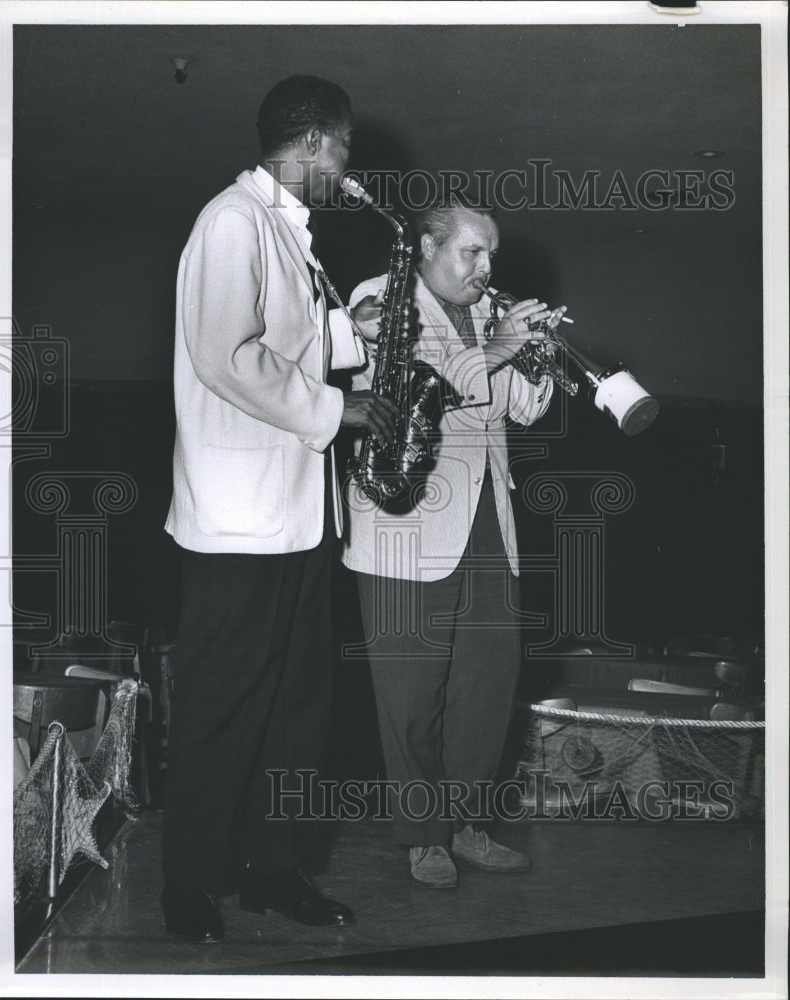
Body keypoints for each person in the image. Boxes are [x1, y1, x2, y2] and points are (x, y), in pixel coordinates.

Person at [160, 75, 396, 943]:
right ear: (313, 143)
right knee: (223, 708)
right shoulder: (231, 222)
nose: (348, 167)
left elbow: (284, 340)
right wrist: (342, 409)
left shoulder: (288, 234)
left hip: (298, 518)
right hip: (238, 521)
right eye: (343, 149)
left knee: (299, 713)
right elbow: (227, 355)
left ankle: (274, 869)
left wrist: (355, 329)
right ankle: (189, 883)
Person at [342, 202, 566, 888]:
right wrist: (499, 343)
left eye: (490, 256)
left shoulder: (484, 314)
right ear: (428, 246)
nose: (486, 268)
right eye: (472, 252)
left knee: (486, 684)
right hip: (404, 524)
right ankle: (422, 835)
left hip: (485, 524)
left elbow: (525, 407)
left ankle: (467, 826)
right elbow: (438, 383)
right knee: (411, 693)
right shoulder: (379, 299)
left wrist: (541, 353)